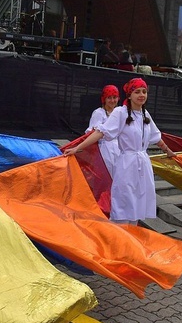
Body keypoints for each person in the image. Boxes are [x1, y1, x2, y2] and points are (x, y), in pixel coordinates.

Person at [64, 77, 175, 225]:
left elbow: (156, 136)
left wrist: (168, 151)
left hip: (143, 163)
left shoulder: (145, 114)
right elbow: (100, 132)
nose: (141, 95)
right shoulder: (120, 113)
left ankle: (131, 236)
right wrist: (78, 148)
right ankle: (118, 236)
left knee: (138, 202)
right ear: (129, 95)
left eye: (144, 91)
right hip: (126, 163)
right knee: (124, 201)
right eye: (137, 92)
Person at [86, 85, 121, 175]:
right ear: (104, 99)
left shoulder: (120, 112)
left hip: (119, 149)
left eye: (115, 97)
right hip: (104, 149)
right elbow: (91, 132)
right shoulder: (99, 113)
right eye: (109, 98)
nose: (112, 101)